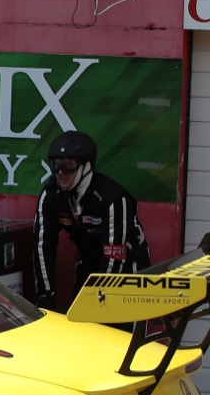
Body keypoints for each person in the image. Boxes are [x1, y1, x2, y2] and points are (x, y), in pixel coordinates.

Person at [33, 129, 151, 310]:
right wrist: (46, 294)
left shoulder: (113, 198)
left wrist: (99, 302)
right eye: (55, 164)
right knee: (80, 323)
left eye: (68, 165)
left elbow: (114, 256)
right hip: (88, 260)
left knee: (117, 329)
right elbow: (42, 246)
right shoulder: (51, 195)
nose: (60, 172)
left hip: (127, 266)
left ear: (86, 166)